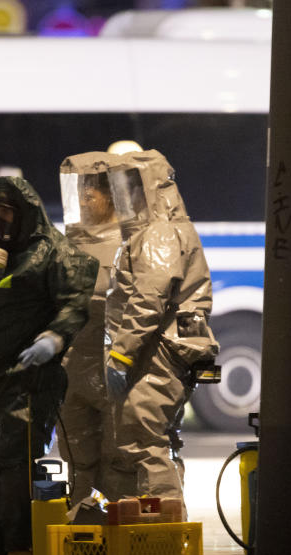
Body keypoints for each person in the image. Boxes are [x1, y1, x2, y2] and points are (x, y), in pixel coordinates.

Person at [0, 176, 97, 555]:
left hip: (28, 378)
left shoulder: (53, 253)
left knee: (15, 462)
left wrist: (53, 339)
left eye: (4, 214)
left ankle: (21, 548)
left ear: (24, 214)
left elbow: (74, 302)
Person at [102, 149, 219, 514]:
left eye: (126, 187)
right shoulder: (154, 230)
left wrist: (121, 354)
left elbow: (147, 300)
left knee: (142, 441)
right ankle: (155, 533)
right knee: (152, 440)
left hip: (156, 351)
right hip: (159, 349)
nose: (120, 198)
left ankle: (160, 538)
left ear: (146, 188)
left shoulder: (158, 232)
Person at [56, 152, 125, 508]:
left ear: (111, 195)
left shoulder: (130, 240)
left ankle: (121, 534)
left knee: (118, 460)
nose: (83, 200)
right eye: (79, 192)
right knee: (78, 460)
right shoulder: (69, 242)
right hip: (75, 367)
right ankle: (83, 535)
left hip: (113, 365)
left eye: (90, 192)